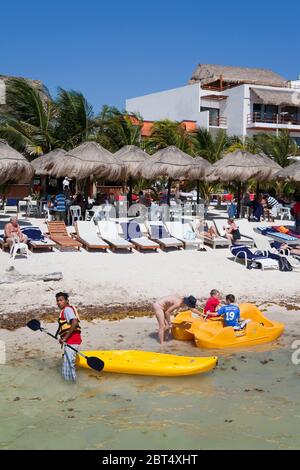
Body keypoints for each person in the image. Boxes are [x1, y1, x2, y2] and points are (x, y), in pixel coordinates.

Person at [55, 292, 82, 382]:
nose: (59, 302)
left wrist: (65, 338)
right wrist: (63, 339)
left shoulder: (67, 310)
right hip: (71, 340)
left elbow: (74, 322)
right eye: (57, 300)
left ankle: (71, 386)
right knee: (68, 364)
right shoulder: (66, 310)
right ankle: (70, 385)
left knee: (69, 366)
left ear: (67, 301)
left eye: (61, 300)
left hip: (72, 341)